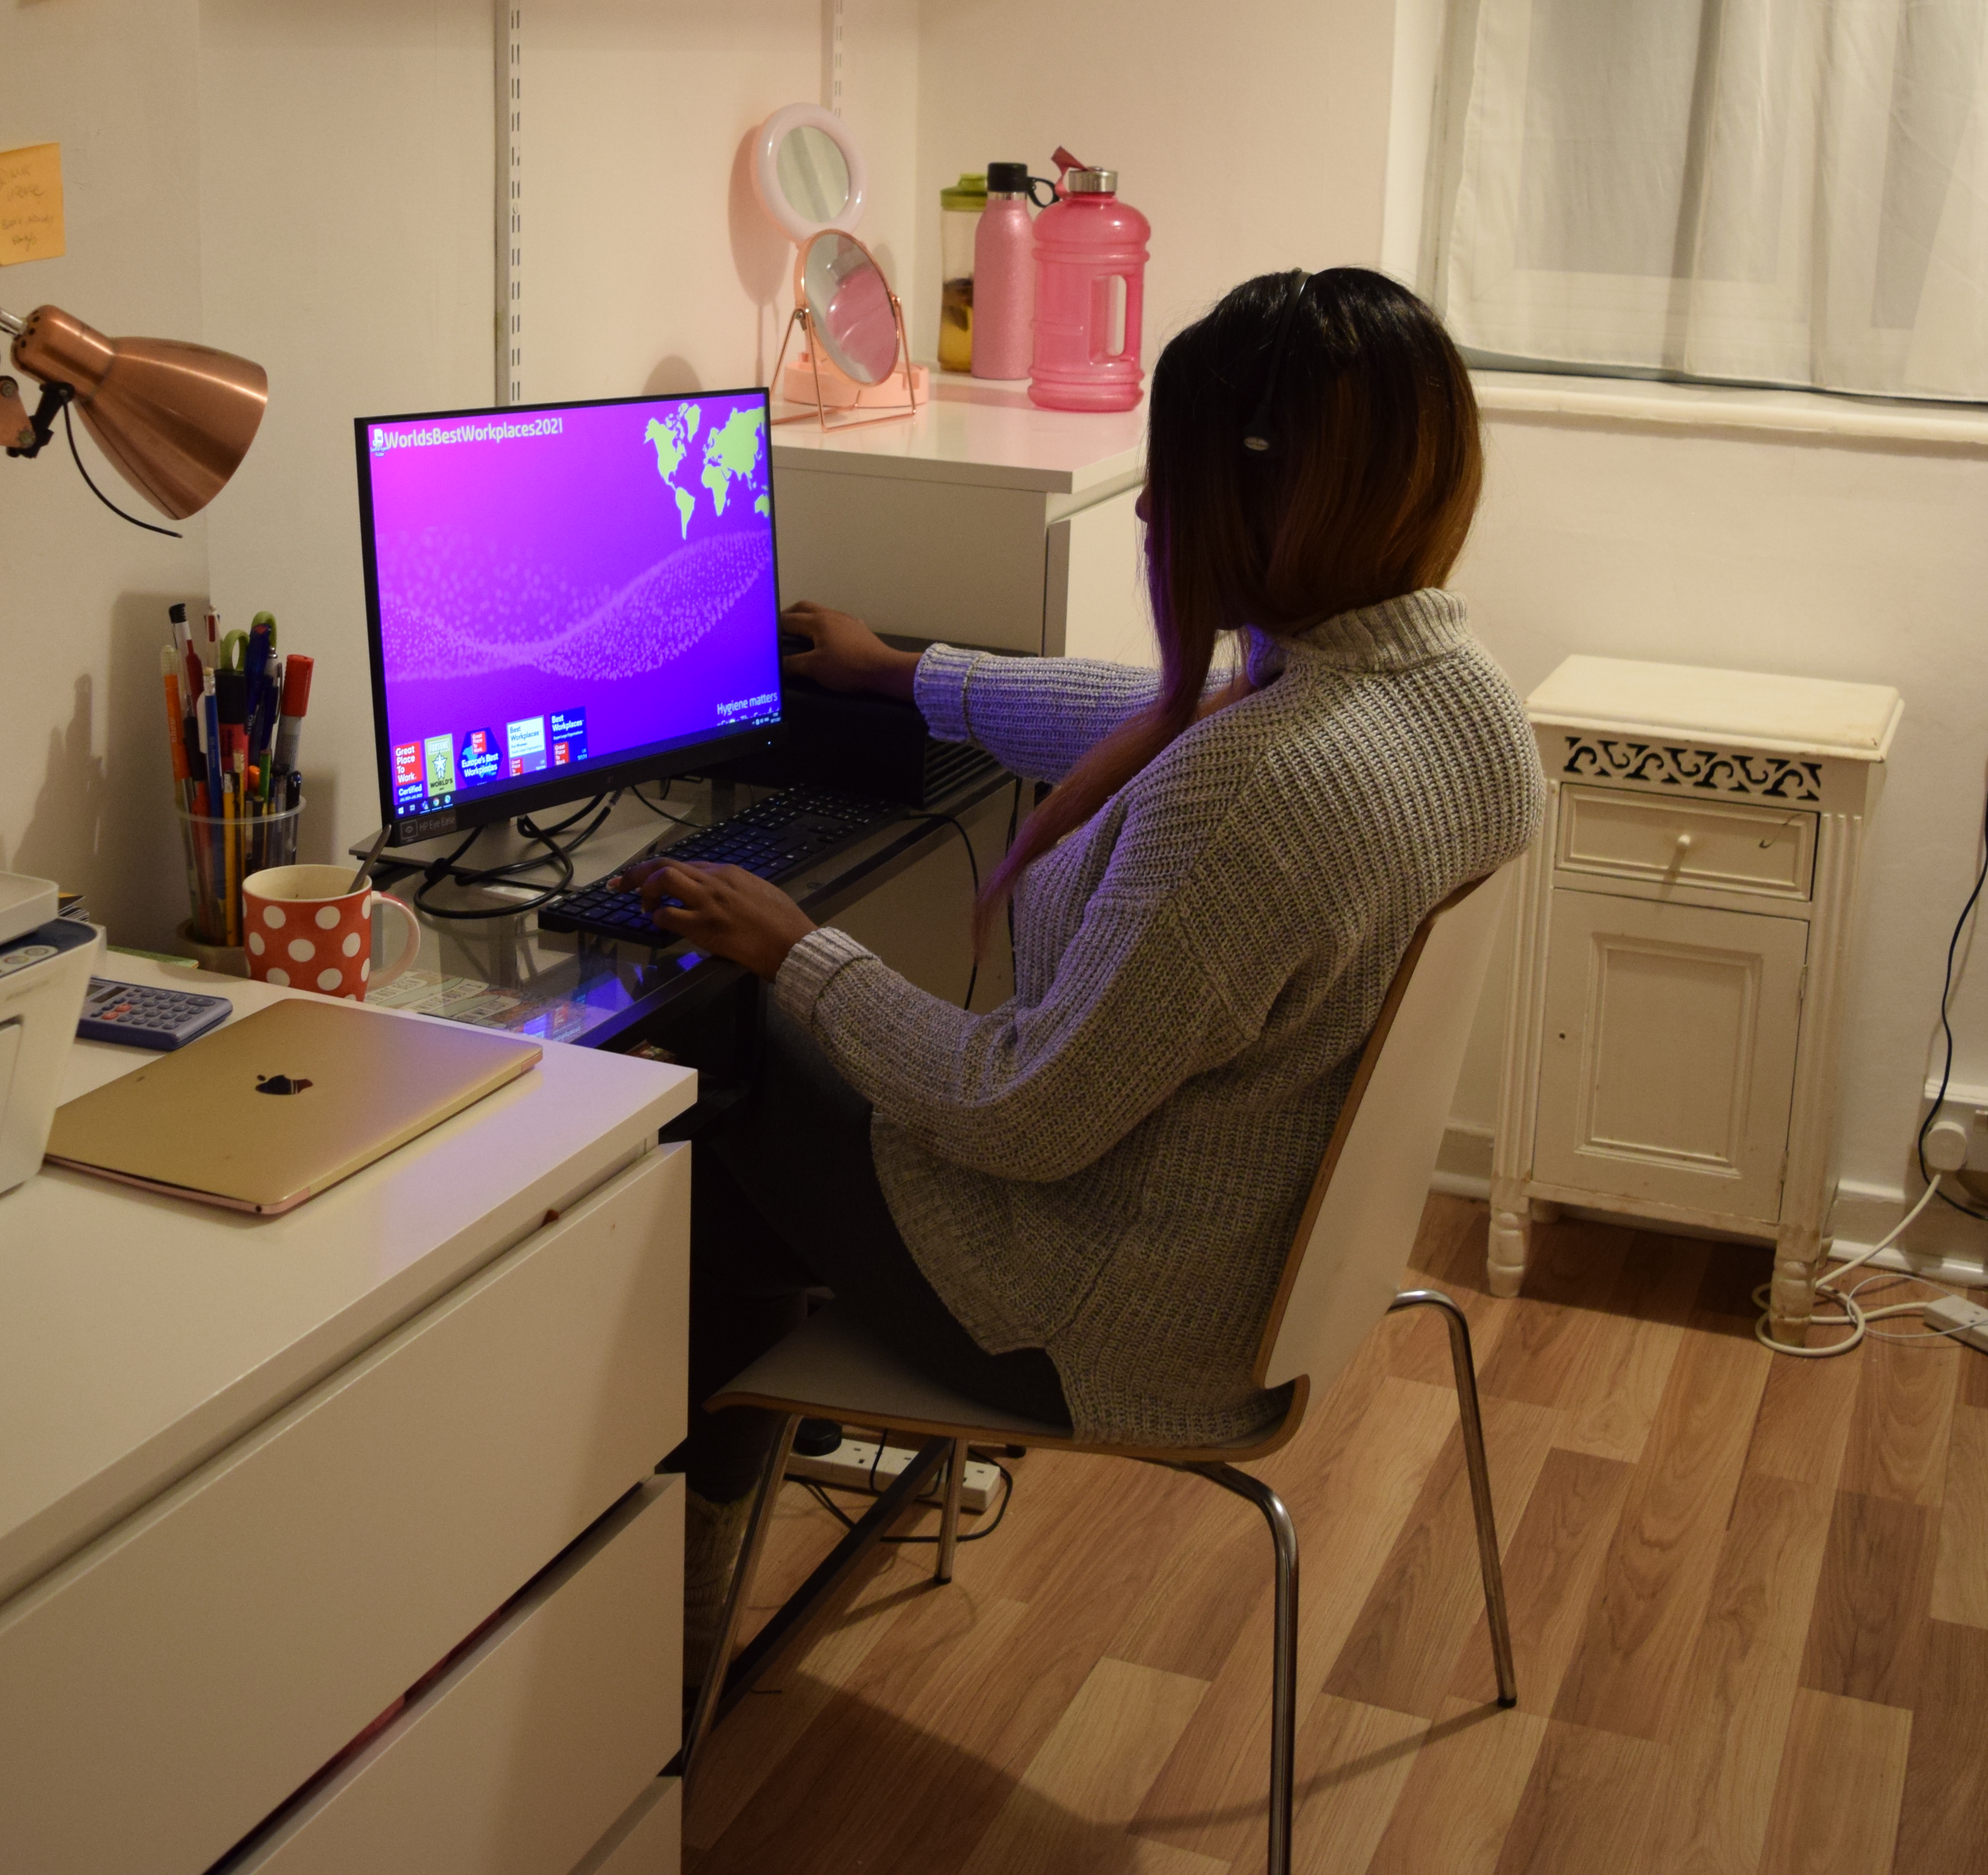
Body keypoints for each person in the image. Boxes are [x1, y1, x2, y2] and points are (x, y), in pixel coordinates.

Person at [625, 267, 1544, 1672]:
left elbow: (1020, 1109)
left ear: (1252, 495)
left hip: (1096, 1313)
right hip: (1265, 1275)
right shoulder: (1454, 696)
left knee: (708, 1089)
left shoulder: (1264, 789)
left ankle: (643, 1659)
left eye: (1169, 479)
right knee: (754, 1102)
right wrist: (908, 672)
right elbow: (1158, 715)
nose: (1151, 514)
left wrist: (798, 949)